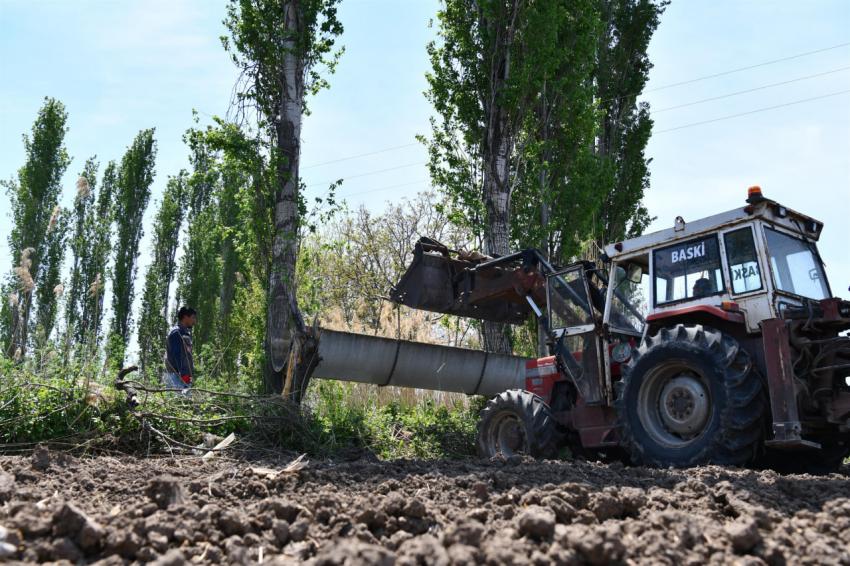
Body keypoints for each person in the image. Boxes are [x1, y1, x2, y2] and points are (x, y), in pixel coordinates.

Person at [164, 306, 196, 393]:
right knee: (177, 403)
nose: (194, 321)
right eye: (193, 317)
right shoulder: (176, 333)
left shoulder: (184, 333)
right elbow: (176, 354)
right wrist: (183, 374)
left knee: (185, 404)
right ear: (185, 317)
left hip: (183, 377)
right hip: (176, 376)